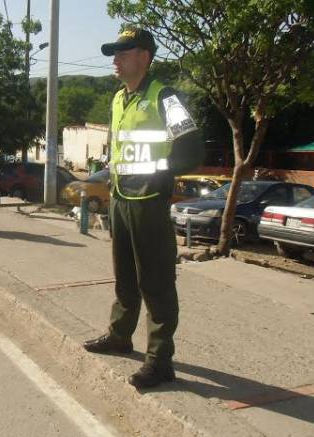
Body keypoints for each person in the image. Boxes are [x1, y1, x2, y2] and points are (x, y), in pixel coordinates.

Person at [81, 28, 204, 389]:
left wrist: (157, 174)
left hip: (148, 201)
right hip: (120, 198)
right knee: (124, 276)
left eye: (123, 53)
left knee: (156, 282)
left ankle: (160, 362)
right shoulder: (119, 99)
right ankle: (120, 336)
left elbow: (192, 150)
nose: (115, 60)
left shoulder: (165, 97)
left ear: (144, 57)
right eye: (114, 54)